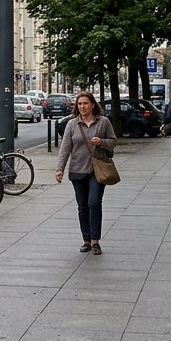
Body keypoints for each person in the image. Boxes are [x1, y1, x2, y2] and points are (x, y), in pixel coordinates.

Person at [54, 92, 117, 255]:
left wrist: (101, 142)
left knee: (94, 203)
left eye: (85, 103)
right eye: (79, 104)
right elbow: (65, 148)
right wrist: (59, 168)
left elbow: (113, 142)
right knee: (82, 206)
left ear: (93, 105)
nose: (82, 106)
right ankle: (86, 240)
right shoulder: (72, 124)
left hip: (97, 170)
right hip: (77, 170)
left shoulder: (103, 122)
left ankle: (95, 240)